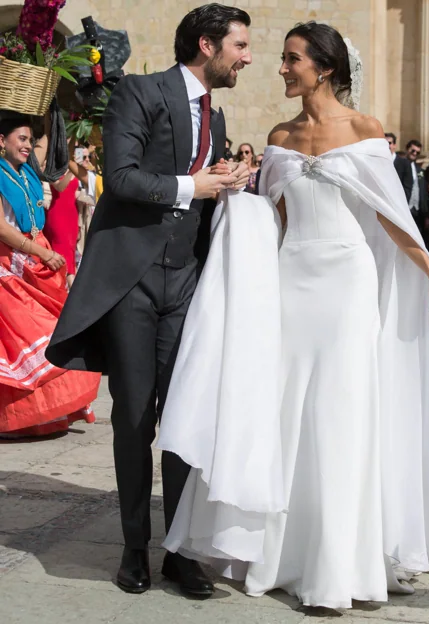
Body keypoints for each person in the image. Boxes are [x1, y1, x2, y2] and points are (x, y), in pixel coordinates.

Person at [157, 20, 429, 610]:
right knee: (288, 410)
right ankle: (280, 554)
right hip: (292, 283)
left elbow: (391, 215)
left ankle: (337, 566)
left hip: (348, 283)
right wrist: (233, 195)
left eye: (292, 59)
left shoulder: (366, 129)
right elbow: (272, 220)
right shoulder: (279, 136)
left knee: (340, 413)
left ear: (323, 67)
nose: (281, 68)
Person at [46, 4, 252, 597]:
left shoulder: (215, 111)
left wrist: (227, 179)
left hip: (187, 284)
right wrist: (197, 184)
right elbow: (124, 174)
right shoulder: (140, 92)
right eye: (239, 44)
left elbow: (198, 187)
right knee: (135, 419)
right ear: (208, 44)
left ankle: (180, 551)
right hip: (134, 282)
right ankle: (134, 549)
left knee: (186, 418)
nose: (246, 56)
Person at [0, 114, 101, 437]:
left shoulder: (26, 172)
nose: (28, 145)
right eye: (22, 139)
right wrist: (40, 251)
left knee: (52, 330)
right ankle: (15, 418)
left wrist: (59, 113)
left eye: (31, 140)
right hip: (8, 268)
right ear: (1, 141)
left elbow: (53, 162)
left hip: (34, 266)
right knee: (26, 338)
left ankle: (42, 415)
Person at [405, 139, 428, 236]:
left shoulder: (419, 169)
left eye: (417, 152)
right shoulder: (400, 164)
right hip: (405, 208)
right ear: (407, 149)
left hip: (417, 210)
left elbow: (422, 189)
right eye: (412, 150)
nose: (414, 153)